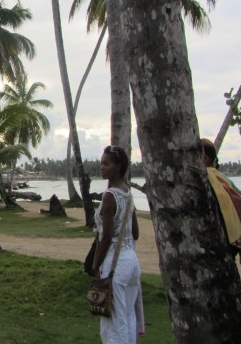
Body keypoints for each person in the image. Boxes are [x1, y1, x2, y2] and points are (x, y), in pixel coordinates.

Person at [91, 145, 140, 343]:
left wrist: (95, 266)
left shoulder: (110, 195)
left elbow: (107, 237)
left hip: (115, 264)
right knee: (128, 317)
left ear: (118, 167)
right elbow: (135, 232)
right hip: (131, 262)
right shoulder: (127, 193)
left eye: (106, 164)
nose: (102, 167)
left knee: (114, 321)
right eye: (101, 163)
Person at [201, 138, 241, 264]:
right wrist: (237, 228)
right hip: (231, 241)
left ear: (205, 158)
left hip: (217, 241)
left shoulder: (207, 175)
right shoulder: (222, 178)